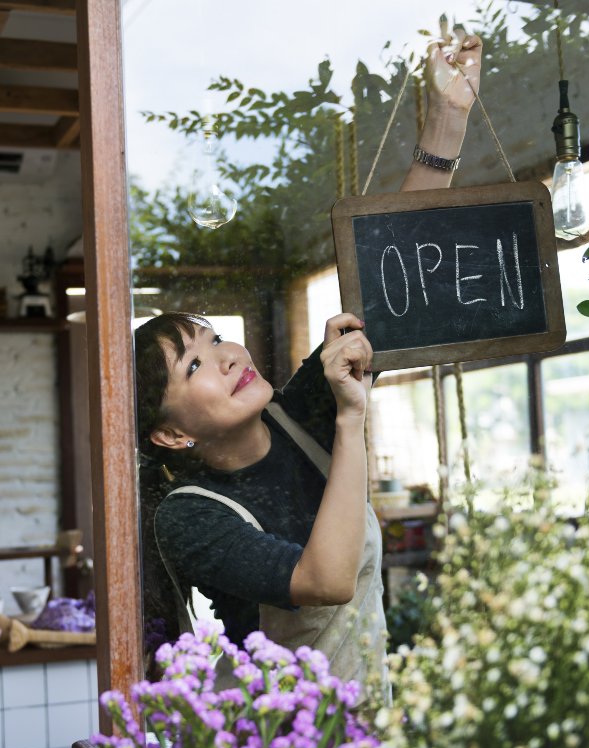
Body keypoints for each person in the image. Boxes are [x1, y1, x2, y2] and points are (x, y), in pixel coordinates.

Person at [135, 28, 483, 696]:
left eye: (214, 339)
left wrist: (447, 120)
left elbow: (389, 277)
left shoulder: (298, 411)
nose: (227, 355)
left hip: (372, 723)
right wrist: (351, 423)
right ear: (172, 433)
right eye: (194, 365)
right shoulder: (188, 513)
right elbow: (323, 582)